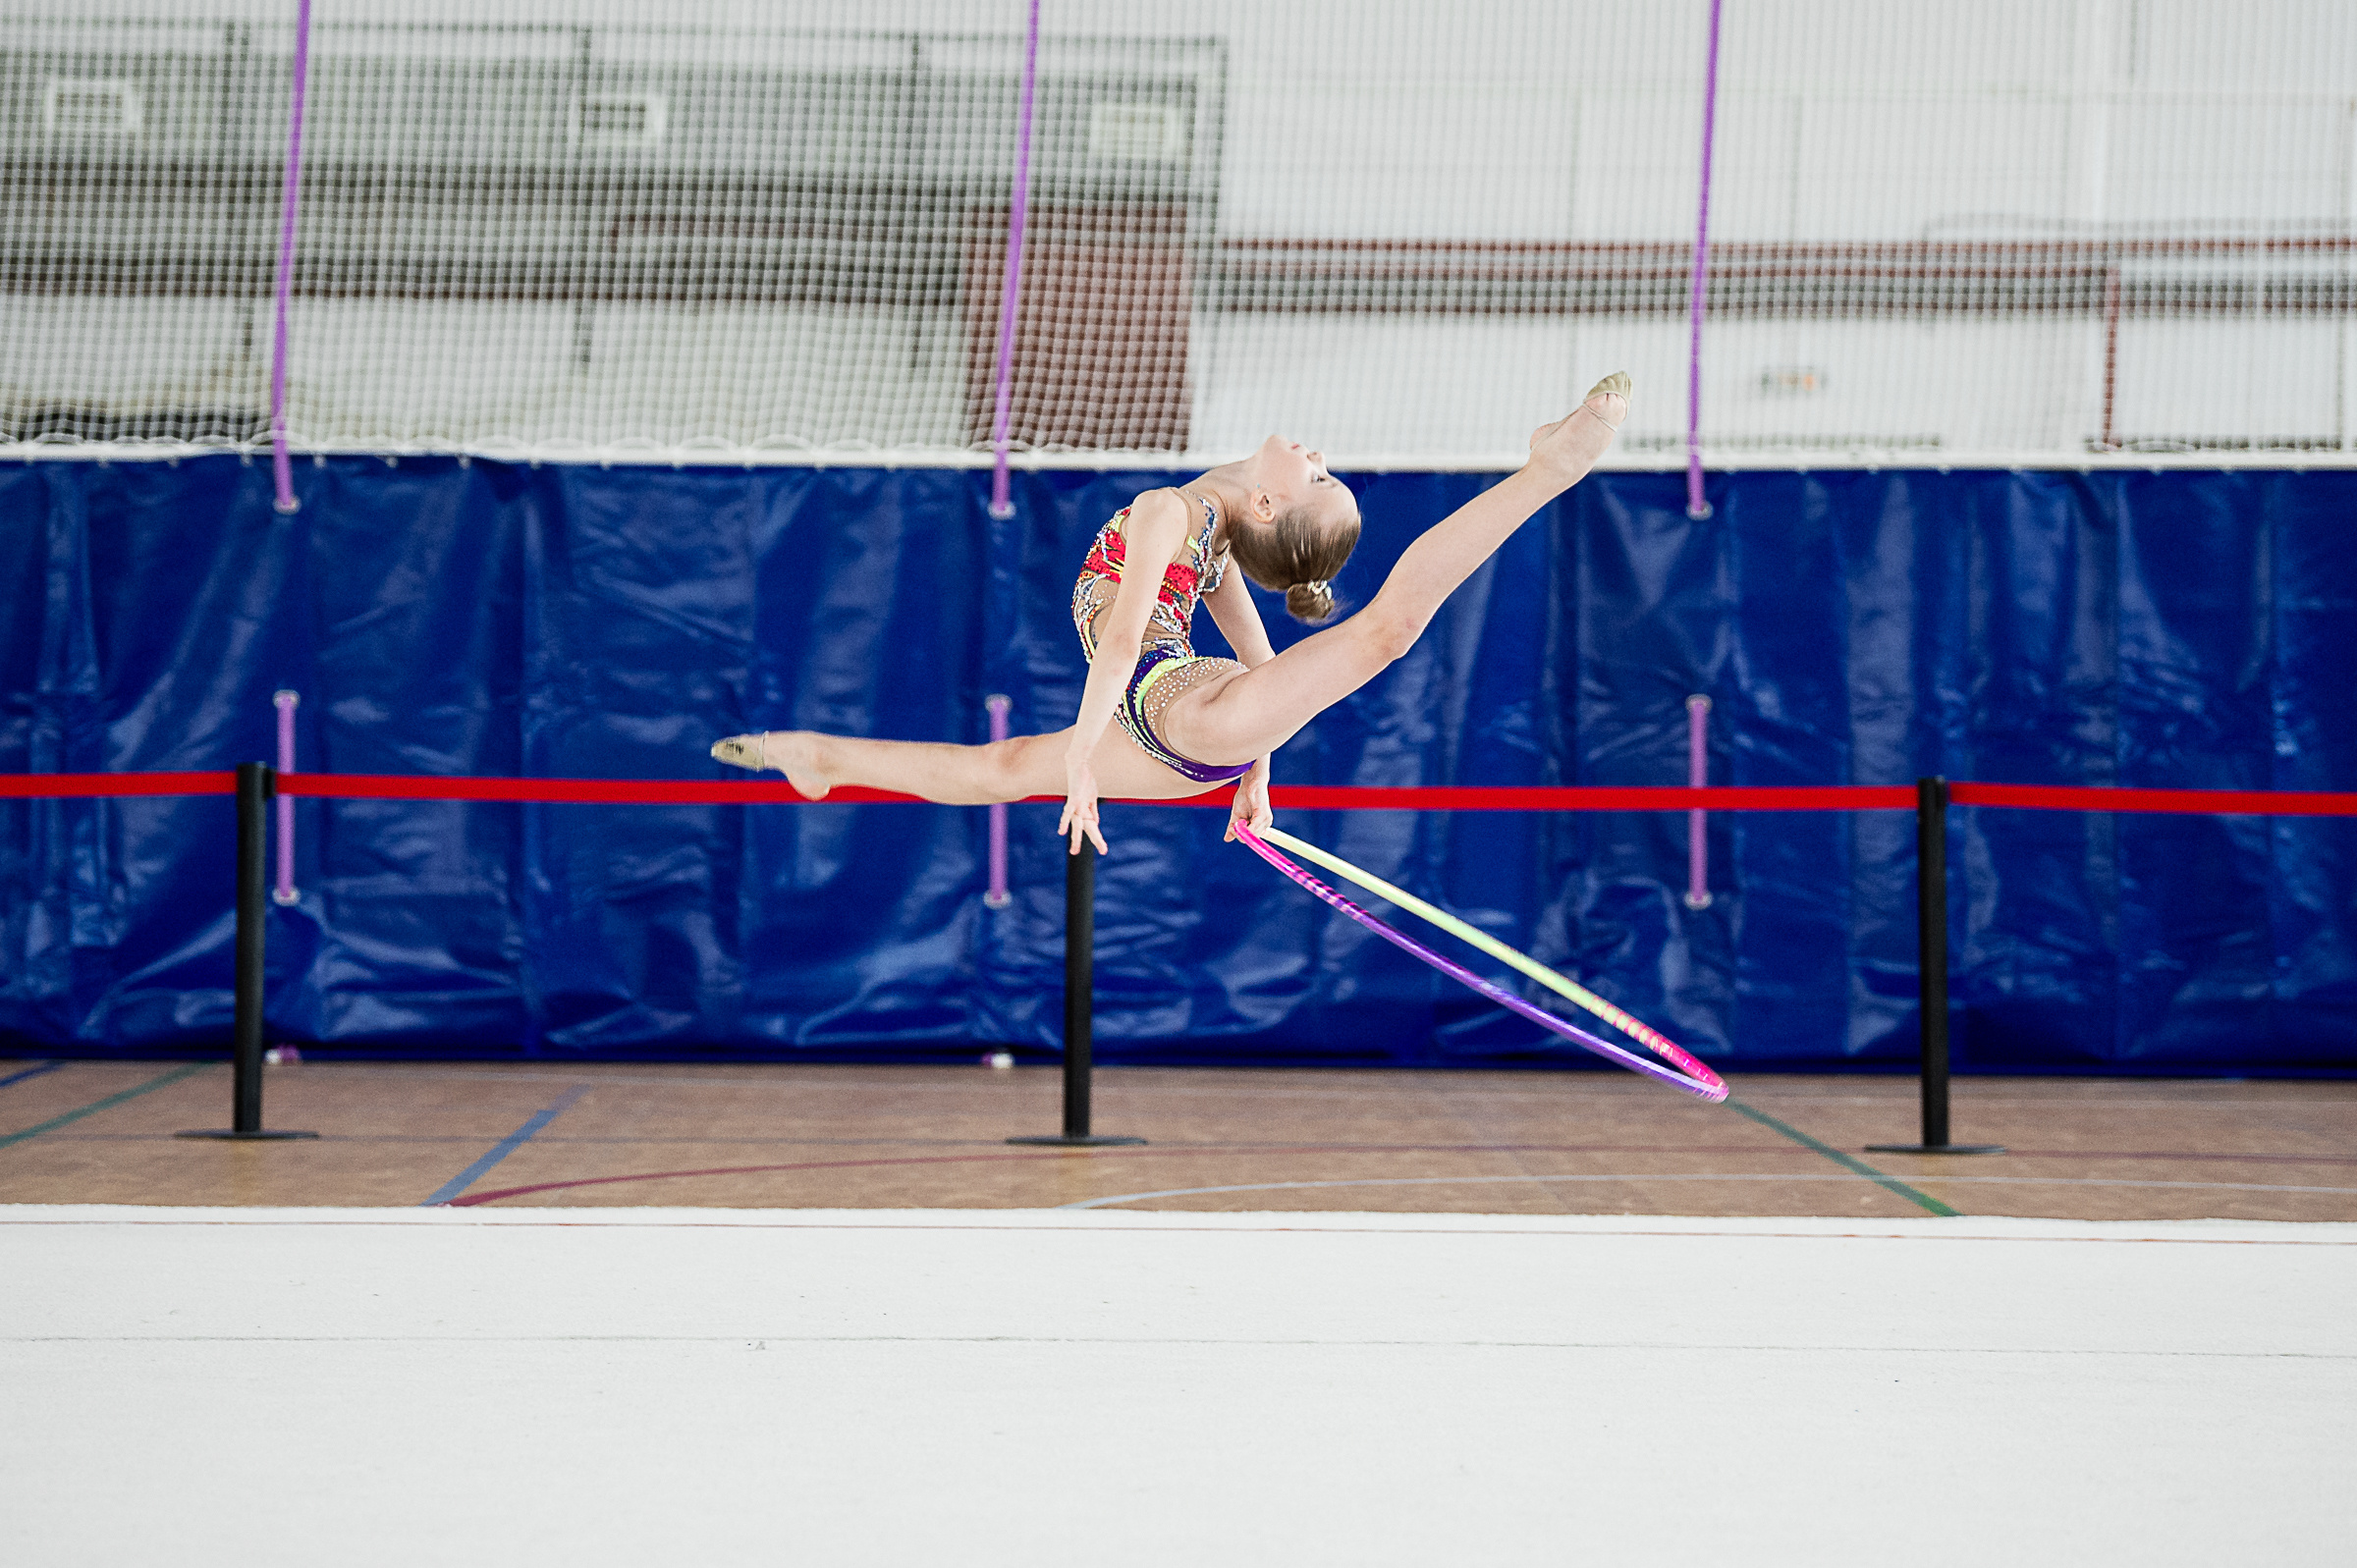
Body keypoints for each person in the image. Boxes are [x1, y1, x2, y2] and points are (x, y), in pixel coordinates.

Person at [712, 372, 1629, 854]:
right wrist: (1255, 773)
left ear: (1270, 506)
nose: (1314, 454)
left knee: (1386, 630)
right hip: (1187, 739)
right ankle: (820, 756)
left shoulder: (1168, 511)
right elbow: (1259, 659)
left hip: (1173, 717)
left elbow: (1120, 641)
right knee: (995, 768)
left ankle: (1546, 470)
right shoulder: (1213, 530)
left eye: (1317, 476)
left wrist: (1081, 763)